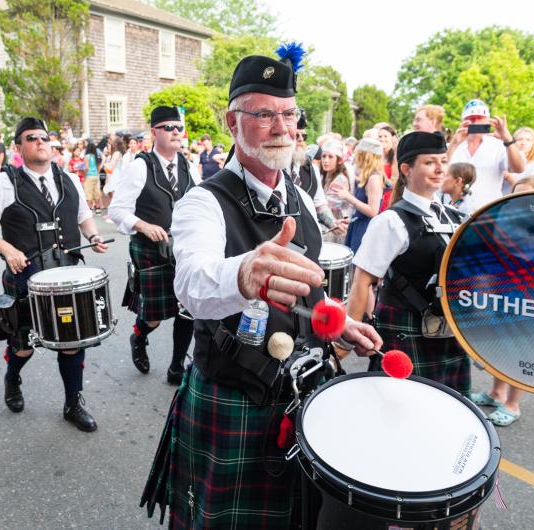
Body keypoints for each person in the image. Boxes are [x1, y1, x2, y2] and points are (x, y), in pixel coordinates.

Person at [141, 50, 382, 528]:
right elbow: (190, 285)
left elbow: (308, 284)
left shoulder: (299, 197)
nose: (281, 127)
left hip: (303, 389)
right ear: (233, 122)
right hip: (235, 396)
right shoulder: (202, 202)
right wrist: (242, 274)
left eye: (288, 113)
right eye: (264, 114)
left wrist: (338, 320)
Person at [0, 117, 108, 431]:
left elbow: (84, 216)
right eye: (31, 138)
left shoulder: (69, 178)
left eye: (44, 137)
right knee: (24, 344)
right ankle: (12, 377)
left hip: (68, 278)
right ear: (19, 147)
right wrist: (7, 249)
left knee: (72, 341)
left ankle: (73, 403)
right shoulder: (5, 182)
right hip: (26, 279)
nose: (40, 142)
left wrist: (94, 236)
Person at [347, 131, 470, 395]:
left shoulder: (454, 216)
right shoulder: (390, 221)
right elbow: (362, 282)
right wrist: (346, 340)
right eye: (429, 162)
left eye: (443, 161)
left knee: (448, 410)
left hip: (449, 331)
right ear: (406, 168)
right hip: (404, 330)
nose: (439, 169)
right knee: (400, 409)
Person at [108, 106, 201, 384]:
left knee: (188, 310)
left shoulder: (188, 165)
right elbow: (117, 210)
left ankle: (175, 367)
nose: (175, 132)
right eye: (168, 127)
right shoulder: (140, 166)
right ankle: (139, 337)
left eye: (178, 128)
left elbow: (200, 202)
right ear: (154, 133)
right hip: (150, 249)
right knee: (154, 317)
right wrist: (144, 226)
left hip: (182, 248)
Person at [468, 173, 534, 427]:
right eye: (515, 195)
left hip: (529, 298)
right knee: (500, 346)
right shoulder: (505, 223)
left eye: (526, 198)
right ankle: (496, 392)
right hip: (503, 293)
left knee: (520, 351)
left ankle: (513, 404)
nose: (518, 202)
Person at [447, 99, 525, 207]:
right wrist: (454, 144)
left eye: (480, 118)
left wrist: (507, 137)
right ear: (463, 121)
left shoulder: (498, 146)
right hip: (453, 211)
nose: (475, 122)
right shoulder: (453, 145)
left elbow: (519, 168)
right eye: (470, 119)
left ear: (488, 122)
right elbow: (440, 172)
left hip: (486, 212)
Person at [289, 113, 348, 238]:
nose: (300, 139)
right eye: (296, 135)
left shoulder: (312, 169)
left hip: (304, 236)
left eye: (303, 136)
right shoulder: (274, 167)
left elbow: (319, 204)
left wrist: (332, 223)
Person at [333, 138, 386, 254]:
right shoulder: (367, 176)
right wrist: (352, 220)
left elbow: (373, 211)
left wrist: (348, 197)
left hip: (366, 230)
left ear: (365, 156)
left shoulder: (374, 178)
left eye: (358, 154)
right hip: (358, 225)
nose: (356, 157)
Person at [503, 127, 534, 194]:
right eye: (519, 139)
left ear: (533, 144)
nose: (523, 143)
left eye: (528, 140)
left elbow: (533, 190)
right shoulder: (504, 160)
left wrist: (508, 177)